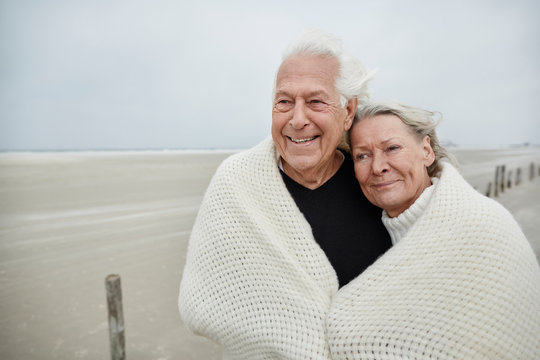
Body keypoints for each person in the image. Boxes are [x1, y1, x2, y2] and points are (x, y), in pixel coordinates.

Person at [178, 30, 391, 359]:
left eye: (315, 101)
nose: (298, 119)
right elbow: (202, 304)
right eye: (284, 102)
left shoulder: (378, 182)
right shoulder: (236, 184)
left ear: (348, 111)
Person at [325, 101, 540, 359]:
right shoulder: (361, 237)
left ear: (426, 151)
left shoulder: (482, 225)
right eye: (363, 155)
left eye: (392, 148)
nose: (378, 166)